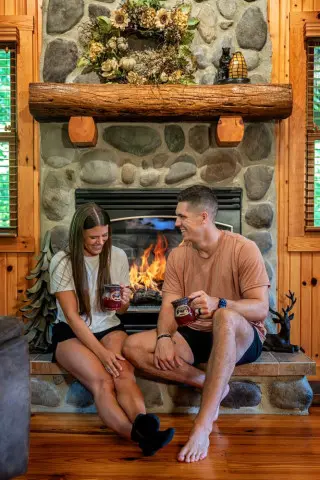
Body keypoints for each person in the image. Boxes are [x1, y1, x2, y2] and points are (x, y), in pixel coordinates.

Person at [123, 185, 270, 463]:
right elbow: (168, 304)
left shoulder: (243, 249)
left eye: (181, 217)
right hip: (193, 333)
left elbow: (261, 308)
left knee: (224, 317)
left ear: (204, 217)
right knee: (133, 346)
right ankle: (213, 384)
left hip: (240, 336)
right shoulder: (178, 255)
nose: (176, 223)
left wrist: (220, 303)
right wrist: (164, 338)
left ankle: (202, 427)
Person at [49, 202, 174, 456]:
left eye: (105, 235)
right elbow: (73, 317)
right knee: (103, 382)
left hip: (109, 327)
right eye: (93, 237)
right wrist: (102, 354)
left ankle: (145, 428)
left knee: (124, 373)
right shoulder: (62, 262)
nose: (100, 242)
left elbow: (120, 311)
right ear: (78, 234)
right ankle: (138, 437)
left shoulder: (115, 255)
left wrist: (125, 301)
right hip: (71, 333)